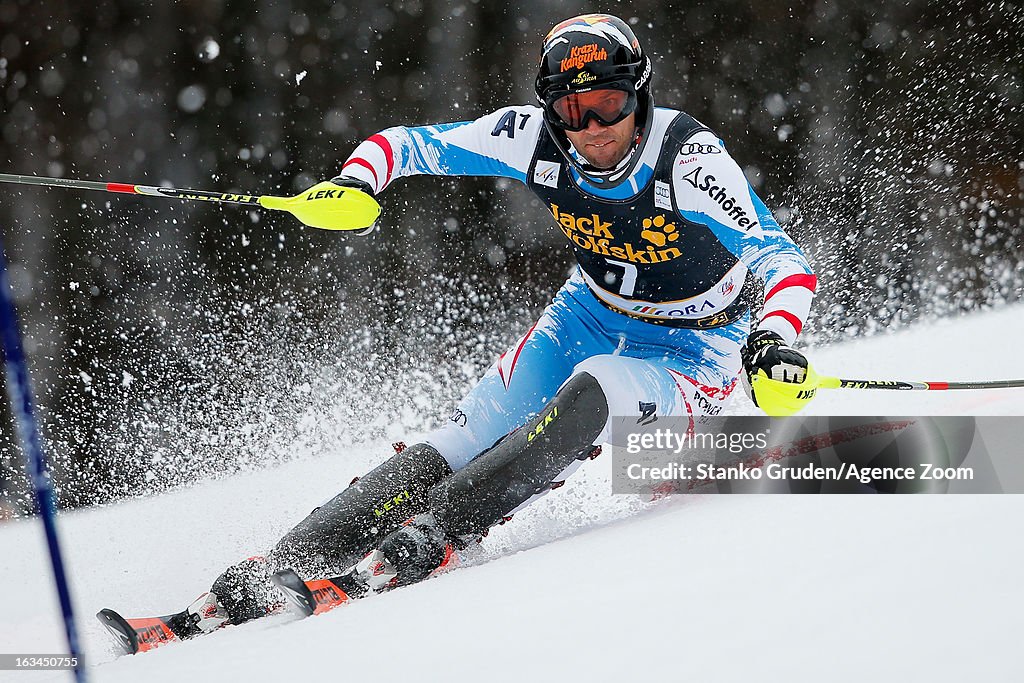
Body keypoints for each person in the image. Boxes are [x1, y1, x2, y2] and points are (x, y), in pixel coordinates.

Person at [140, 13, 819, 639]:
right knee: (465, 436)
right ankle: (288, 559)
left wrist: (774, 337)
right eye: (571, 109)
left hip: (691, 352)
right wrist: (354, 182)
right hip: (587, 315)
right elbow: (404, 145)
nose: (590, 127)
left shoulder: (689, 161)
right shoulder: (531, 138)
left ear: (638, 96)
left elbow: (783, 256)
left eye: (607, 104)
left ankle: (443, 531)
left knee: (598, 387)